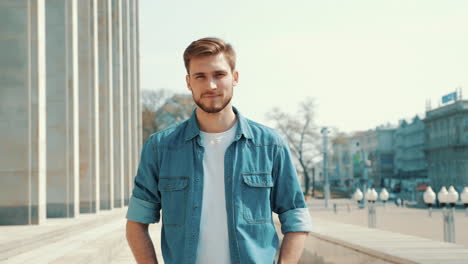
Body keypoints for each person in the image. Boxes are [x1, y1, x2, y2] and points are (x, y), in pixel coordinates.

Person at [126, 37, 312, 264]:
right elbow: (136, 222)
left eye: (219, 75)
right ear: (188, 82)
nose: (211, 85)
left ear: (235, 78)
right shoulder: (160, 147)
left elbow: (296, 216)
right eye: (200, 76)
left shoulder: (270, 145)